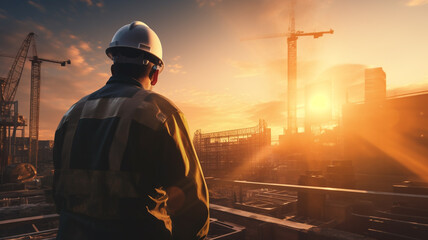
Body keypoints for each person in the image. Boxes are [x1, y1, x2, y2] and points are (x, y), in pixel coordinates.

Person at [52, 21, 209, 240]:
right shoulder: (161, 113)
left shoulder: (71, 115)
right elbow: (191, 207)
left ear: (113, 65)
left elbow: (59, 193)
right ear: (154, 72)